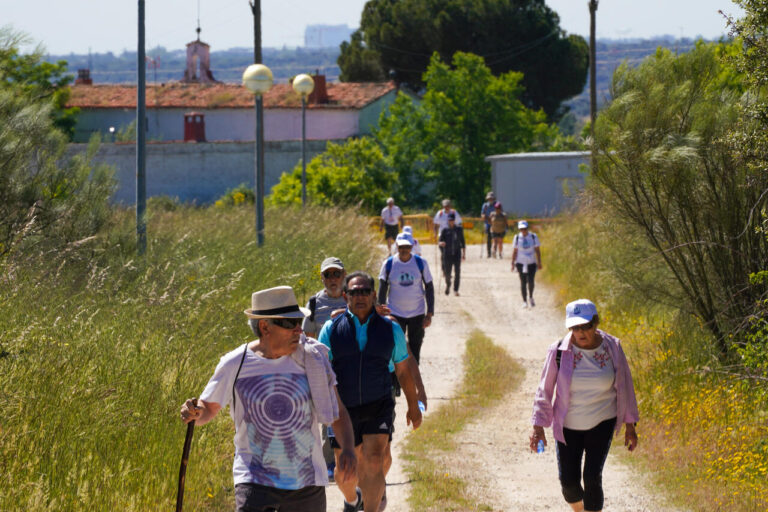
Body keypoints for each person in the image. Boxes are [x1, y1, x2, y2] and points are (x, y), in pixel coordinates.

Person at [179, 286, 357, 512]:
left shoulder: (311, 360)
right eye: (289, 324)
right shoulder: (236, 363)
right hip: (254, 481)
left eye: (299, 323)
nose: (298, 331)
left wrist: (348, 449)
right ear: (265, 326)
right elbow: (208, 408)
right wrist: (195, 412)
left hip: (306, 482)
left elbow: (337, 412)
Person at [318, 272, 423, 512]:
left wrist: (413, 405)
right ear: (346, 296)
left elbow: (404, 371)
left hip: (379, 403)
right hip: (342, 409)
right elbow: (320, 372)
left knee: (375, 460)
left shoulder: (390, 328)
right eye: (354, 292)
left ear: (374, 295)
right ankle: (351, 499)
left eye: (365, 291)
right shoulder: (331, 329)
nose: (360, 296)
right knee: (345, 471)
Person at [530, 299, 639, 512]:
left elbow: (626, 386)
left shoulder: (612, 348)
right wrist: (537, 428)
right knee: (569, 484)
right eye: (575, 327)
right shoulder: (559, 351)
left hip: (602, 421)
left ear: (595, 323)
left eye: (585, 326)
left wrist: (630, 427)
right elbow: (545, 389)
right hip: (568, 425)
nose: (580, 332)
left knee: (592, 477)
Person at [303, 256, 349, 481]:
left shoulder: (354, 298)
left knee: (352, 413)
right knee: (327, 417)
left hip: (350, 367)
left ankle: (351, 458)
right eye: (328, 275)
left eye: (336, 274)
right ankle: (329, 462)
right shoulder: (313, 304)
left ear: (344, 275)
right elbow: (307, 339)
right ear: (322, 278)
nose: (332, 279)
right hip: (324, 369)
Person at [378, 233, 435, 364]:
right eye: (401, 247)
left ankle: (413, 381)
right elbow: (382, 286)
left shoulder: (421, 263)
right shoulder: (389, 263)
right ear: (397, 246)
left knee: (415, 348)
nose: (404, 250)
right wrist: (381, 310)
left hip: (417, 313)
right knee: (395, 349)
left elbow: (429, 287)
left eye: (407, 247)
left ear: (412, 246)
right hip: (395, 314)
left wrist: (429, 313)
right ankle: (395, 383)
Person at [511, 220, 542, 308]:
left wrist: (539, 262)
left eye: (524, 229)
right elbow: (515, 251)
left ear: (527, 228)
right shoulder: (517, 237)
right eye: (521, 229)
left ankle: (531, 296)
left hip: (531, 262)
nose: (523, 231)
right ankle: (524, 300)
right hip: (520, 262)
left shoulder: (533, 237)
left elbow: (537, 250)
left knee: (531, 281)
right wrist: (512, 263)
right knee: (523, 282)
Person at [438, 213, 465, 296]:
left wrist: (464, 254)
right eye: (450, 220)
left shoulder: (459, 229)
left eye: (452, 220)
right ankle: (448, 285)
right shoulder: (445, 230)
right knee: (447, 273)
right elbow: (439, 242)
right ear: (448, 220)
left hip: (457, 254)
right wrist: (441, 243)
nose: (451, 221)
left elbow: (463, 242)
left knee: (457, 272)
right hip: (447, 254)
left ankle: (456, 289)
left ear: (454, 220)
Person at [480, 191, 496, 258]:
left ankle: (495, 252)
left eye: (491, 198)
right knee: (488, 239)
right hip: (487, 224)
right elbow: (482, 214)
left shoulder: (496, 205)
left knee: (495, 238)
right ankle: (489, 253)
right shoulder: (485, 205)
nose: (490, 200)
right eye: (489, 199)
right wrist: (487, 218)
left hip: (495, 224)